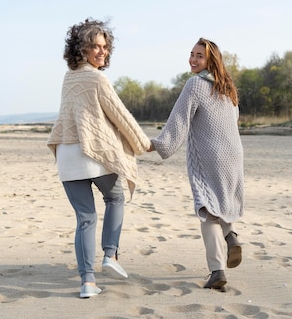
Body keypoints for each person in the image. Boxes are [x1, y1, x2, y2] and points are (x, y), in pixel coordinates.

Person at [47, 18, 151, 299]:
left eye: (104, 46)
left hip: (68, 157)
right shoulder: (97, 78)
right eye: (94, 46)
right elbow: (121, 116)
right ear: (80, 49)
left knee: (85, 218)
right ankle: (110, 254)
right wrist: (143, 143)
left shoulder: (68, 78)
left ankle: (88, 283)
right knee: (116, 197)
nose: (101, 51)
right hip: (93, 154)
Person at [149, 37, 244, 291]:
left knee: (207, 209)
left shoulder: (195, 85)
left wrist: (156, 144)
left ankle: (217, 271)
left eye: (199, 56)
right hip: (233, 154)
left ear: (210, 60)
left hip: (210, 156)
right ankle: (231, 236)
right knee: (222, 199)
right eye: (191, 53)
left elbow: (178, 122)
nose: (193, 59)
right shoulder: (227, 88)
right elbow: (232, 120)